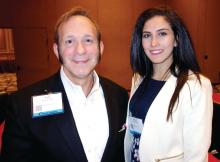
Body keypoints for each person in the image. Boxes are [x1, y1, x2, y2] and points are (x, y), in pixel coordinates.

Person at [1, 7, 128, 162]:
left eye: (88, 40)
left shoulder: (119, 96)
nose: (80, 50)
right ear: (57, 50)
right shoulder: (22, 106)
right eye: (69, 41)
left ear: (100, 48)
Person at [124, 6, 213, 162]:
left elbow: (196, 153)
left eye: (162, 34)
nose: (153, 43)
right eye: (146, 35)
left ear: (177, 40)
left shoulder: (195, 86)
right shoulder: (139, 78)